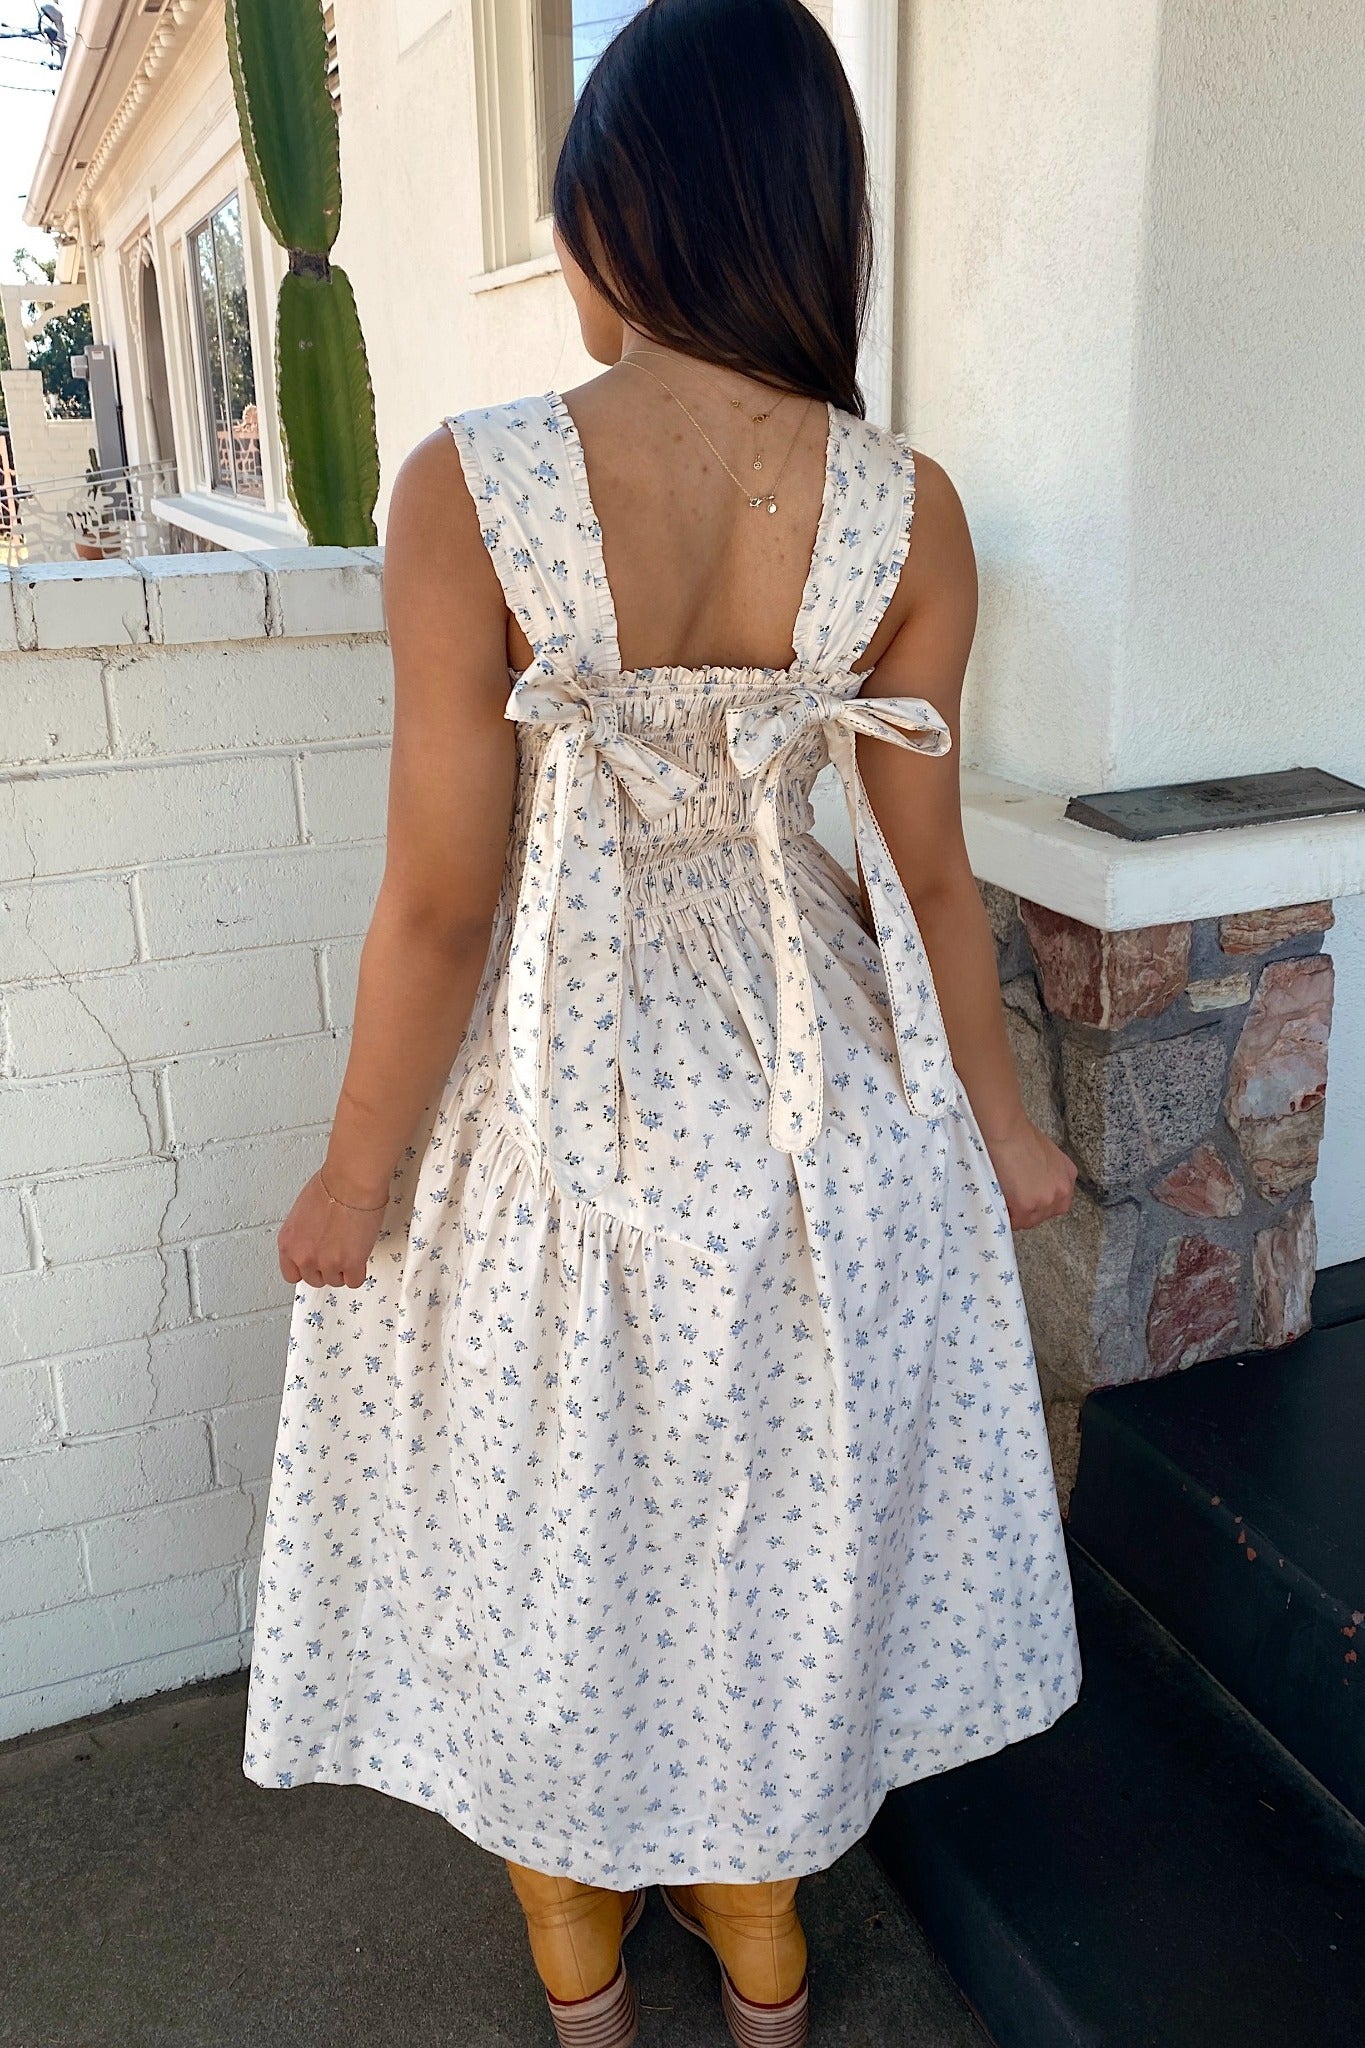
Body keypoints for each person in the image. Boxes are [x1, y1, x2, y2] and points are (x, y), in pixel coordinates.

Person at [241, 2, 1083, 2041]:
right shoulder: (913, 508)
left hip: (566, 1093)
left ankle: (577, 1956)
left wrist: (358, 1173)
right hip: (823, 1096)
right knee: (775, 1513)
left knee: (555, 1512)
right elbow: (933, 874)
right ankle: (769, 1939)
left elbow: (444, 900)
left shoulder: (476, 487)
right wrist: (1002, 1124)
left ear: (623, 213)